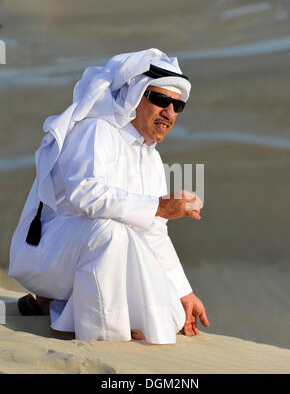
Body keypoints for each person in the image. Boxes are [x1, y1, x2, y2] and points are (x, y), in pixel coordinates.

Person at [8, 48, 209, 344]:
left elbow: (153, 231)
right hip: (46, 253)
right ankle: (94, 336)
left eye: (177, 106)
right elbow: (83, 194)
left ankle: (51, 303)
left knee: (169, 314)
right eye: (160, 100)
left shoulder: (150, 158)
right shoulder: (97, 131)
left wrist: (185, 291)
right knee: (111, 232)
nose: (169, 112)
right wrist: (160, 205)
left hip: (81, 254)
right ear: (134, 96)